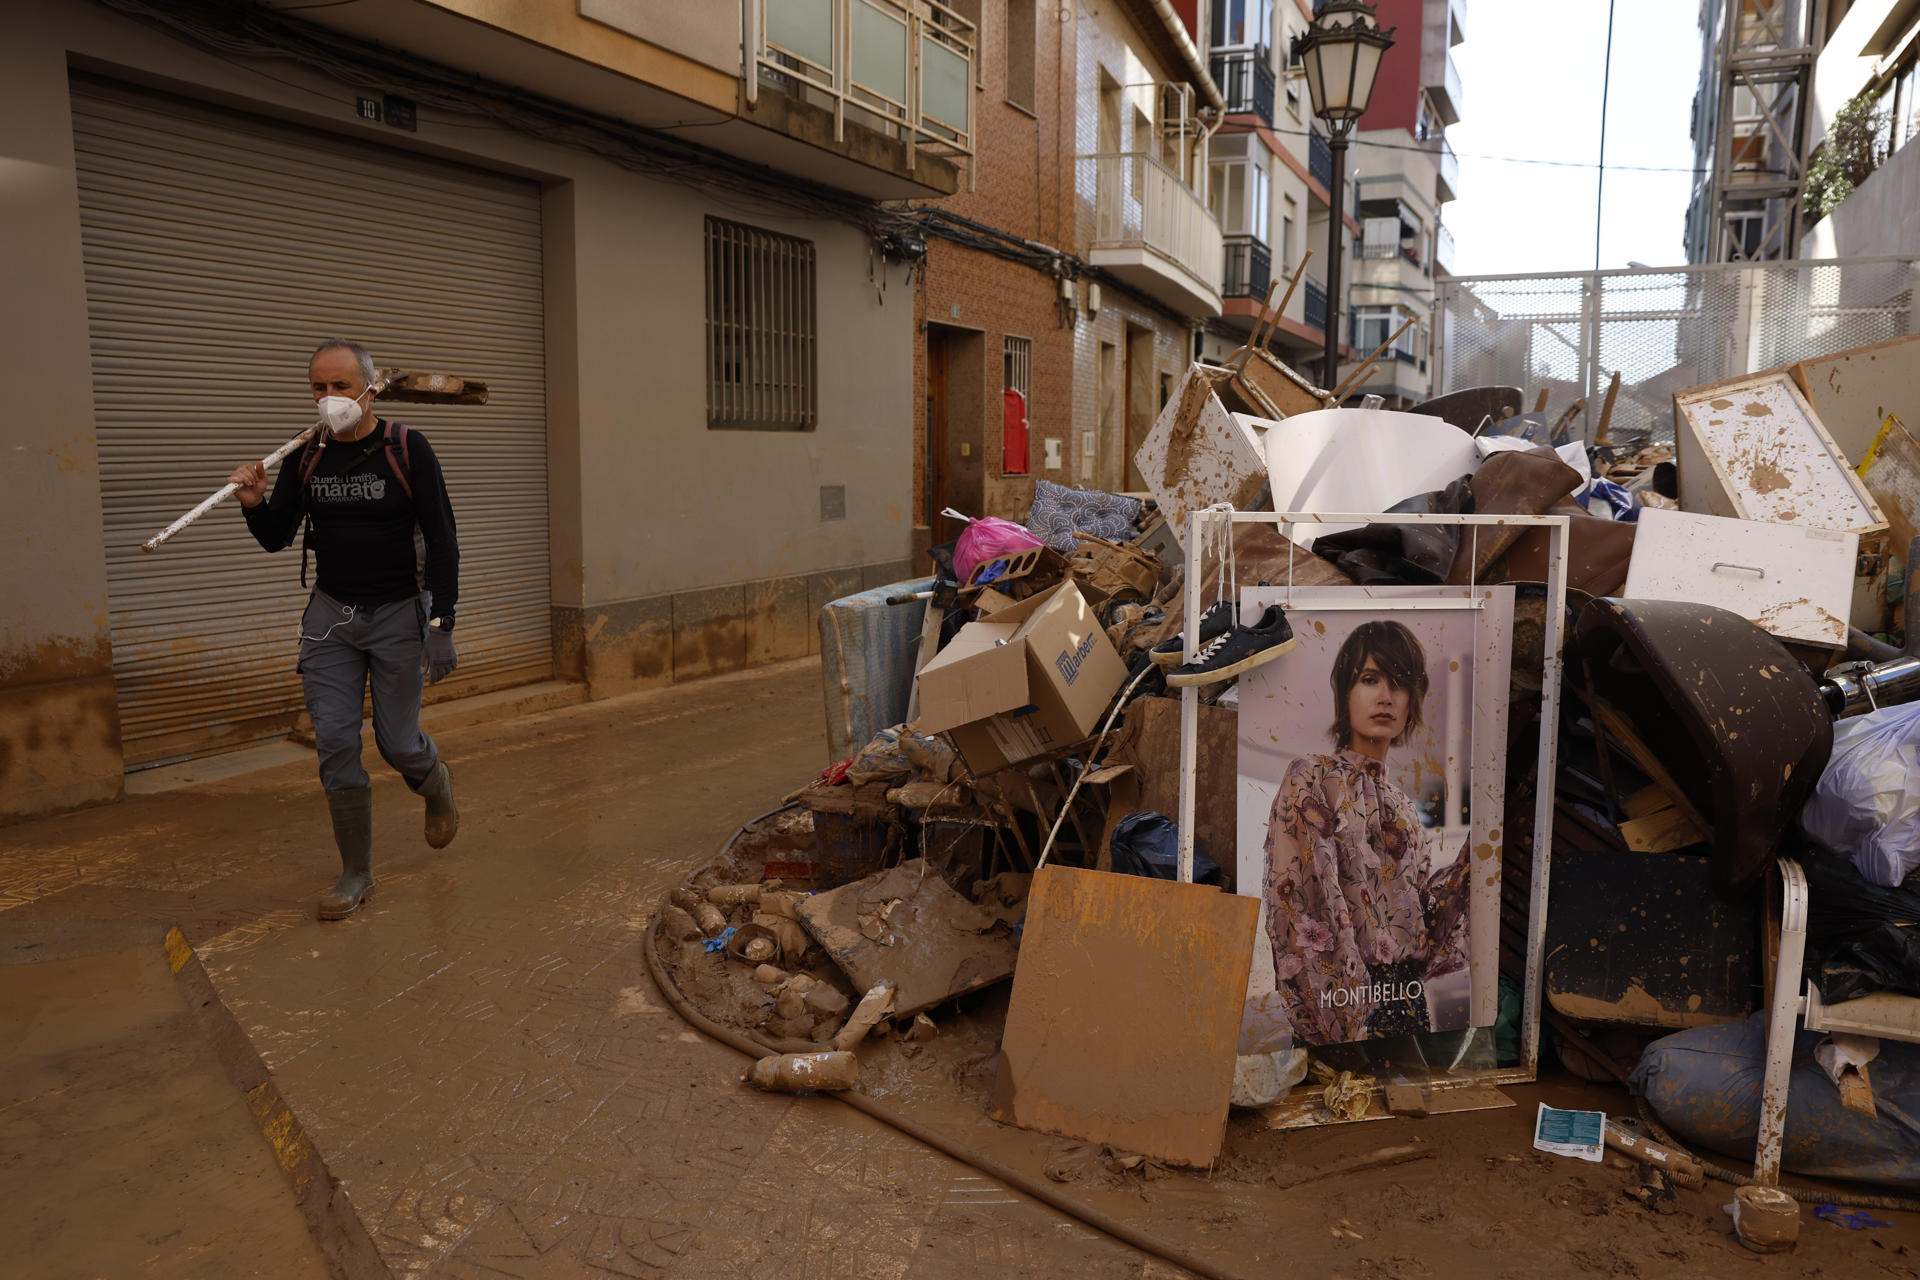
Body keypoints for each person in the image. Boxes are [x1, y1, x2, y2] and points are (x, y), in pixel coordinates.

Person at [230, 339, 461, 920]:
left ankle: (434, 782)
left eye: (339, 385)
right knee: (335, 743)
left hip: (398, 614)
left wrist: (441, 622)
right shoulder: (309, 455)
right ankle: (356, 874)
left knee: (397, 744)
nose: (329, 398)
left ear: (369, 387)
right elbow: (276, 535)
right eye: (318, 387)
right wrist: (255, 502)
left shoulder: (408, 449)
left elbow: (442, 539)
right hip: (331, 617)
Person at [1261, 620, 1470, 1044]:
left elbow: (1421, 918)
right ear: (1346, 693)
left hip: (1406, 1000)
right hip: (1342, 1000)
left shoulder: (1404, 806)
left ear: (1413, 701)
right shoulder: (1312, 777)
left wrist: (1472, 868)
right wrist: (1347, 1009)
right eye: (1370, 679)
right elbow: (1298, 900)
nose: (1385, 697)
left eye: (1399, 684)